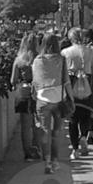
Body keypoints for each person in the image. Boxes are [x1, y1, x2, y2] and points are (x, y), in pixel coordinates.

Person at [62, 28, 93, 158]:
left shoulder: (65, 52)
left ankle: (75, 150)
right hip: (88, 83)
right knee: (86, 115)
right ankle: (83, 136)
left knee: (72, 119)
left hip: (71, 83)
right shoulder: (91, 52)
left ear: (71, 38)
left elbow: (63, 74)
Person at [31, 32, 71, 174]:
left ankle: (47, 162)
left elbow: (35, 81)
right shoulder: (61, 59)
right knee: (56, 132)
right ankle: (55, 160)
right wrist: (70, 98)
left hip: (42, 98)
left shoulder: (37, 60)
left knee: (44, 130)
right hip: (58, 98)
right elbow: (66, 81)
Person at [9, 32, 41, 160]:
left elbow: (13, 80)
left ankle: (28, 153)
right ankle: (37, 148)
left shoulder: (19, 60)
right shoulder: (40, 59)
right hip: (38, 92)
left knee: (25, 125)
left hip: (23, 91)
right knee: (38, 123)